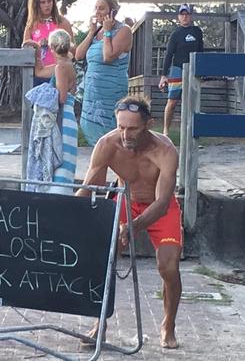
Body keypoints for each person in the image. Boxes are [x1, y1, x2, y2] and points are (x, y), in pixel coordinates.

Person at [76, 95, 183, 349]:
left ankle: (169, 323)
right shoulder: (107, 144)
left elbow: (163, 201)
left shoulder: (165, 150)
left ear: (148, 124)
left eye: (133, 128)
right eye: (121, 127)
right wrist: (64, 214)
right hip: (125, 200)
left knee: (168, 266)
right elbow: (89, 188)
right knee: (106, 258)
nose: (125, 134)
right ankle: (98, 324)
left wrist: (134, 226)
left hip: (160, 207)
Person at [23, 29, 78, 195]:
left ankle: (57, 194)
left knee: (58, 155)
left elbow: (61, 97)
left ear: (53, 47)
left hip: (63, 116)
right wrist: (38, 51)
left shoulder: (61, 67)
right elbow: (39, 71)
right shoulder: (66, 64)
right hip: (67, 115)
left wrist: (43, 93)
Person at [75, 0, 132, 146]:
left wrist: (107, 32)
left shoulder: (124, 31)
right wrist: (91, 32)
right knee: (94, 136)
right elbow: (79, 55)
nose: (97, 12)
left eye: (101, 8)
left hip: (110, 92)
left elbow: (108, 56)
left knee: (111, 136)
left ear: (112, 12)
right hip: (93, 94)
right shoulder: (96, 32)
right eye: (96, 8)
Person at [158, 4, 204, 136]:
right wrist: (164, 75)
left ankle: (191, 133)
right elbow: (168, 54)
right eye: (182, 14)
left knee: (192, 103)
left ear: (190, 16)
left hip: (194, 70)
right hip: (177, 69)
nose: (184, 16)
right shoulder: (176, 34)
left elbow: (201, 51)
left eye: (187, 14)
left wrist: (202, 70)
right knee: (172, 102)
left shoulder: (197, 31)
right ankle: (166, 131)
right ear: (179, 17)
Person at [22, 0, 74, 86]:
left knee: (60, 99)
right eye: (43, 2)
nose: (47, 5)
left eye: (49, 1)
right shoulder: (31, 24)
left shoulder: (63, 22)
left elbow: (73, 50)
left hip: (59, 71)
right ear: (36, 5)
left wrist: (59, 45)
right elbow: (25, 48)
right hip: (38, 73)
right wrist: (37, 45)